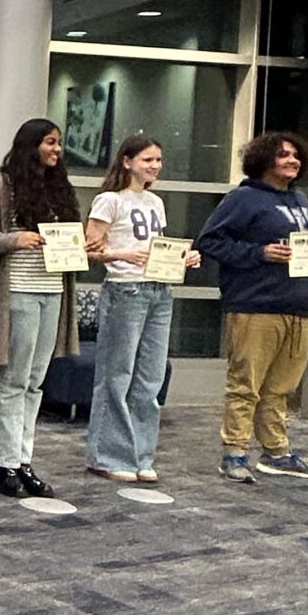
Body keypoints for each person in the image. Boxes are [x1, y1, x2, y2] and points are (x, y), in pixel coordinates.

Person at [196, 130, 308, 483]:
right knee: (245, 384)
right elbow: (210, 242)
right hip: (256, 306)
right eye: (283, 155)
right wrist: (259, 253)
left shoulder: (305, 204)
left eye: (295, 155)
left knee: (280, 388)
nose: (293, 160)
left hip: (300, 306)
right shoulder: (243, 199)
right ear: (263, 160)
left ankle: (276, 451)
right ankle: (234, 452)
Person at [0, 117, 81, 500]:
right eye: (50, 142)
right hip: (17, 292)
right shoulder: (1, 186)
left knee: (35, 382)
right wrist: (13, 239)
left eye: (59, 143)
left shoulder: (60, 188)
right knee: (13, 381)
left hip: (52, 293)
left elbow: (69, 241)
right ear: (30, 144)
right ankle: (4, 463)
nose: (56, 150)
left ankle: (23, 460)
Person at [84, 132, 199, 485]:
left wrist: (183, 258)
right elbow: (89, 249)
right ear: (127, 161)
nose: (155, 166)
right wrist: (122, 254)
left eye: (158, 161)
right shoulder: (109, 200)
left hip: (159, 290)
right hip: (125, 290)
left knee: (149, 378)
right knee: (116, 375)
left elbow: (157, 248)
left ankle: (141, 454)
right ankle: (108, 455)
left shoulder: (155, 202)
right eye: (148, 160)